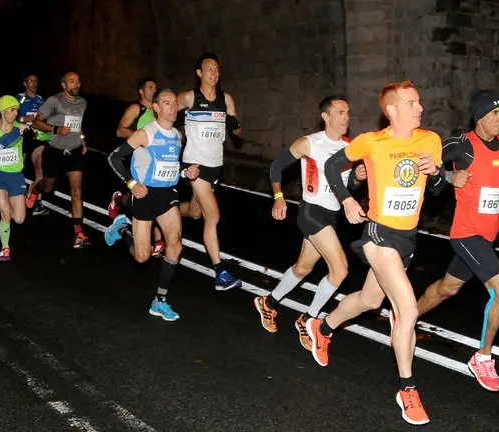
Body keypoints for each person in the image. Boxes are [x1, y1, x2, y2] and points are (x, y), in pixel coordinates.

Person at [305, 81, 445, 425]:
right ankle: (407, 390)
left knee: (370, 301)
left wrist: (436, 173)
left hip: (408, 238)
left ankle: (322, 328)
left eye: (419, 102)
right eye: (412, 103)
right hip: (378, 234)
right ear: (392, 110)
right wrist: (347, 199)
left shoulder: (430, 140)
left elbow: (439, 189)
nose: (420, 108)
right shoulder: (370, 142)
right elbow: (331, 166)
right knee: (407, 309)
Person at [415, 90, 499, 392]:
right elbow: (425, 168)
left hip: (487, 235)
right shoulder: (461, 145)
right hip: (466, 233)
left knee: (447, 288)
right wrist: (448, 177)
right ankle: (482, 358)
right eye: (495, 113)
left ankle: (407, 315)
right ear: (480, 116)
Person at [253, 95, 366, 351]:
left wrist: (358, 178)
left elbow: (348, 187)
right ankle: (309, 319)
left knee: (303, 268)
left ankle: (268, 302)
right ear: (325, 116)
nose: (346, 117)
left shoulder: (350, 147)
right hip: (311, 212)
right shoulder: (309, 143)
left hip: (331, 215)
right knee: (340, 269)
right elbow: (277, 166)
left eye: (348, 113)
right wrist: (278, 198)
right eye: (340, 112)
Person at [106, 88, 200, 321]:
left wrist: (185, 172)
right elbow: (114, 157)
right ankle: (123, 228)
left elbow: (172, 165)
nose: (173, 107)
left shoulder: (177, 136)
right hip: (145, 195)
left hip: (167, 195)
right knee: (142, 256)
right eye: (167, 103)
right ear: (156, 108)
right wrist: (131, 184)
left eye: (175, 103)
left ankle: (160, 300)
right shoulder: (145, 134)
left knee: (175, 246)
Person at [176, 52, 242, 291]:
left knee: (195, 213)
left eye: (217, 69)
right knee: (212, 216)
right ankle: (220, 272)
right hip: (195, 165)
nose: (214, 73)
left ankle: (163, 211)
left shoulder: (226, 99)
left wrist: (234, 125)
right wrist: (172, 136)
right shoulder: (189, 97)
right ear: (199, 73)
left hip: (215, 166)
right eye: (209, 69)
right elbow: (166, 113)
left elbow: (237, 130)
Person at [0, 95, 51, 261]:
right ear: (3, 111)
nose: (15, 114)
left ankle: (32, 191)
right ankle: (5, 248)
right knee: (5, 214)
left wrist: (34, 135)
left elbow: (46, 136)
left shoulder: (21, 128)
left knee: (19, 219)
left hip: (15, 176)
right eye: (12, 110)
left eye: (17, 111)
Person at [25, 71, 91, 249]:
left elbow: (78, 124)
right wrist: (56, 129)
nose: (76, 84)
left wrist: (83, 140)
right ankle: (35, 188)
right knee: (47, 187)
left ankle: (79, 233)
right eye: (72, 81)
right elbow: (36, 122)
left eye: (78, 81)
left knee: (76, 191)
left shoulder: (82, 102)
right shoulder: (54, 101)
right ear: (63, 85)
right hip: (54, 151)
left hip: (75, 152)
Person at [110, 77, 165, 256]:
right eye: (150, 87)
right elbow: (120, 130)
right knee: (133, 198)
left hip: (151, 161)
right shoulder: (136, 108)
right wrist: (142, 137)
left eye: (155, 87)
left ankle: (157, 241)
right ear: (141, 91)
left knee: (151, 196)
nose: (154, 90)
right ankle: (118, 201)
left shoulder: (157, 110)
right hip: (132, 157)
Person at [16, 74, 49, 216]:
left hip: (37, 137)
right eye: (31, 81)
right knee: (18, 169)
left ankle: (38, 203)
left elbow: (47, 118)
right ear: (25, 83)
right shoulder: (19, 98)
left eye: (36, 81)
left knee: (39, 169)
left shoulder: (41, 100)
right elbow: (9, 116)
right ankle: (16, 198)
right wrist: (24, 119)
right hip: (21, 137)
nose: (34, 84)